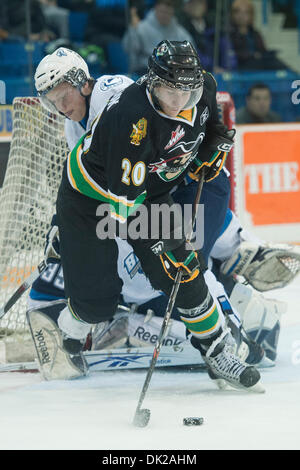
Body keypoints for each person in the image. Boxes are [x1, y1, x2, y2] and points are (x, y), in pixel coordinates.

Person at [34, 41, 264, 393]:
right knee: (98, 300)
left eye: (185, 91)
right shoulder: (132, 120)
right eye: (168, 91)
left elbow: (208, 125)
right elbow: (127, 206)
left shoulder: (203, 87)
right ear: (152, 83)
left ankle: (218, 350)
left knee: (182, 267)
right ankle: (69, 324)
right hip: (87, 197)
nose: (177, 100)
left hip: (148, 189)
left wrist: (211, 147)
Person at [122, 0, 194, 75]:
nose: (165, 14)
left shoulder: (181, 33)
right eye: (162, 10)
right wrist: (133, 30)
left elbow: (190, 56)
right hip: (146, 72)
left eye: (168, 10)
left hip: (174, 74)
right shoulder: (141, 28)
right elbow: (128, 49)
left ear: (173, 11)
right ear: (156, 8)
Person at [178, 0, 237, 72]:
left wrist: (227, 69)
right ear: (186, 7)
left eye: (200, 2)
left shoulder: (215, 27)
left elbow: (227, 51)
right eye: (193, 3)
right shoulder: (181, 29)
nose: (197, 6)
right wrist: (212, 68)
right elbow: (191, 55)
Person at [229, 0, 289, 71]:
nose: (241, 16)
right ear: (232, 15)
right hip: (242, 65)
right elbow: (230, 54)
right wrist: (252, 55)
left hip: (259, 63)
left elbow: (262, 51)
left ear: (251, 15)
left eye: (246, 13)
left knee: (276, 62)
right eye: (238, 12)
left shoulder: (255, 33)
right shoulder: (228, 34)